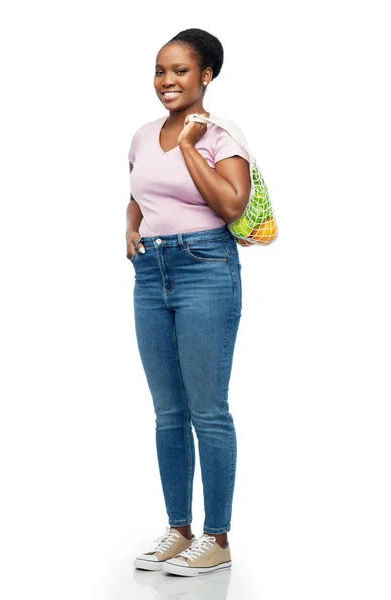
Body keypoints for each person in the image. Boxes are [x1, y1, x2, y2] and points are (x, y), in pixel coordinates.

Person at [127, 28, 252, 577]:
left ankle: (216, 537)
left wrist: (187, 145)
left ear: (206, 75)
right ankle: (179, 530)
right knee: (167, 412)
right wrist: (129, 230)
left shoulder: (222, 135)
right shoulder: (139, 134)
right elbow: (137, 194)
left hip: (206, 268)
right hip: (151, 273)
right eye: (160, 70)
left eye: (180, 70)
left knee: (208, 410)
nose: (167, 81)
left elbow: (230, 203)